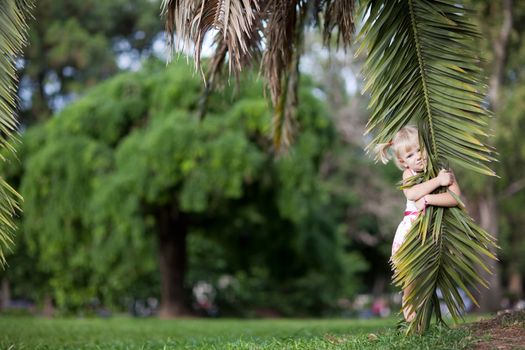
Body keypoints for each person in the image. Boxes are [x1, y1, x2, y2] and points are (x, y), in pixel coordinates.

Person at [375, 125, 461, 323]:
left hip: (435, 231)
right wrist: (439, 182)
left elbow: (455, 198)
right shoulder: (409, 175)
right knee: (412, 273)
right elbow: (413, 194)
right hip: (414, 231)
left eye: (420, 149)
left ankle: (422, 313)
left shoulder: (440, 169)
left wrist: (430, 199)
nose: (419, 157)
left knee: (428, 274)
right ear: (403, 162)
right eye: (411, 154)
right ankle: (409, 308)